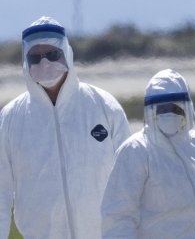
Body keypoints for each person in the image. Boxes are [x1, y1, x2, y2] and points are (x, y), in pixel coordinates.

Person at [0, 16, 130, 239]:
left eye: (52, 54)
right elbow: (1, 192)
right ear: (25, 60)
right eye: (35, 57)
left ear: (66, 53)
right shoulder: (11, 119)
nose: (45, 63)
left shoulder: (104, 106)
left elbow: (131, 183)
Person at [101, 69, 195, 238]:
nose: (170, 113)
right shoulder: (136, 150)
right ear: (150, 111)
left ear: (187, 107)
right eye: (162, 108)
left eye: (175, 107)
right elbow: (118, 218)